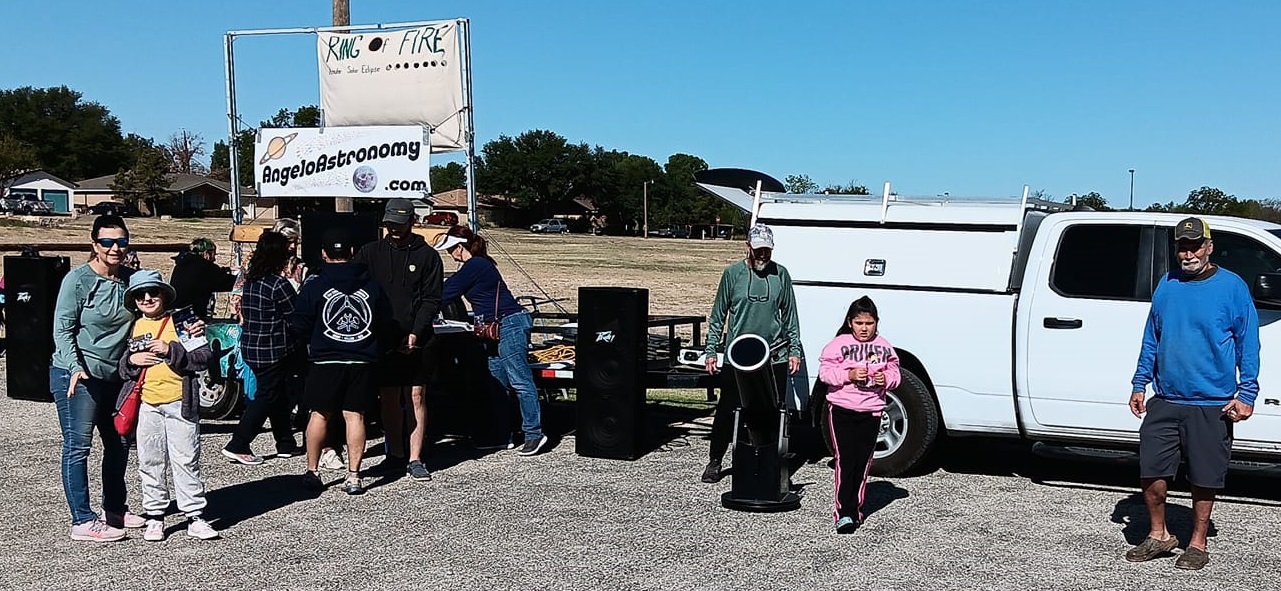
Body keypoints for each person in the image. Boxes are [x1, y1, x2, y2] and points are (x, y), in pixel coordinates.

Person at [1126, 217, 1260, 571]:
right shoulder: (1167, 284)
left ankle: (1197, 542)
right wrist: (1140, 383)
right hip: (1166, 399)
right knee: (1151, 470)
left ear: (1209, 246)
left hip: (1212, 403)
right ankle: (1160, 535)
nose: (1188, 253)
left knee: (1204, 476)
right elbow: (1151, 337)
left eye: (1194, 245)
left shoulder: (1232, 287)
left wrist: (1247, 393)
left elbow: (1249, 343)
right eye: (1182, 246)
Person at [49, 214, 143, 541]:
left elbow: (159, 306)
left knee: (118, 443)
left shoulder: (132, 281)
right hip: (76, 375)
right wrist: (76, 367)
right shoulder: (78, 281)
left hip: (113, 376)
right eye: (107, 242)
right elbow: (62, 330)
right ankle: (82, 520)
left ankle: (115, 509)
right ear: (94, 245)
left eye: (121, 241)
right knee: (78, 447)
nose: (115, 248)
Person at [117, 270, 219, 541]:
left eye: (153, 292)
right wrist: (130, 362)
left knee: (186, 460)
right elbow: (122, 365)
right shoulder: (133, 325)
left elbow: (203, 357)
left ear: (164, 294)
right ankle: (154, 515)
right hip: (147, 404)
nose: (148, 298)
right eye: (140, 295)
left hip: (179, 403)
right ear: (134, 300)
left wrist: (170, 350)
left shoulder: (184, 321)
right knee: (150, 461)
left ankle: (195, 515)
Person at [292, 228, 394, 495]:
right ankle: (354, 475)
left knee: (319, 414)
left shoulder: (315, 285)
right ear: (351, 253)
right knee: (354, 415)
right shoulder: (372, 285)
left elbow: (299, 324)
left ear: (324, 254)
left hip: (325, 359)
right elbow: (385, 322)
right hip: (362, 359)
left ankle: (312, 471)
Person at [701, 223, 803, 483]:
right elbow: (718, 315)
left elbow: (790, 315)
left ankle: (772, 463)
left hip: (774, 356)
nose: (762, 255)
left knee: (772, 410)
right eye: (758, 250)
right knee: (727, 409)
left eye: (767, 250)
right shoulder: (733, 274)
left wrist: (794, 350)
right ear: (748, 247)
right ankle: (715, 459)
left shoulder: (781, 274)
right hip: (739, 357)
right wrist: (711, 350)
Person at [435, 225, 548, 456]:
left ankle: (534, 433)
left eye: (450, 250)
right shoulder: (478, 265)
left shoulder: (475, 265)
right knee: (497, 383)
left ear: (460, 248)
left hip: (509, 323)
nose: (450, 255)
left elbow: (447, 292)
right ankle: (501, 435)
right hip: (494, 327)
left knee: (519, 379)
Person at [356, 199, 443, 481]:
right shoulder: (370, 252)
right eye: (390, 223)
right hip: (383, 337)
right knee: (389, 397)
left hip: (418, 338)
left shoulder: (428, 256)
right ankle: (395, 453)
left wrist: (416, 332)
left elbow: (431, 300)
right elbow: (357, 289)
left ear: (411, 222)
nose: (394, 228)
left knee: (416, 395)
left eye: (399, 223)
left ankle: (416, 458)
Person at [817, 296, 900, 534]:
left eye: (869, 323)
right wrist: (849, 375)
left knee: (863, 462)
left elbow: (895, 373)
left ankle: (856, 510)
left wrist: (888, 379)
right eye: (859, 323)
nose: (864, 328)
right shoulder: (838, 344)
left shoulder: (884, 346)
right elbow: (826, 373)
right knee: (846, 460)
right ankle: (844, 512)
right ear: (850, 322)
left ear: (877, 323)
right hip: (842, 410)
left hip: (872, 411)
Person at [222, 231, 302, 465]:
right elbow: (295, 316)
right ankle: (239, 442)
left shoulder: (253, 281)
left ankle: (285, 442)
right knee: (267, 395)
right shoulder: (278, 284)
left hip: (251, 346)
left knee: (276, 393)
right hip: (273, 348)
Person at [169, 237, 236, 320]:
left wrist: (226, 270)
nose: (214, 259)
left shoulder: (183, 264)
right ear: (207, 253)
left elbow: (207, 277)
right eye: (213, 255)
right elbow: (230, 283)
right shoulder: (204, 267)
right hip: (192, 317)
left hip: (174, 313)